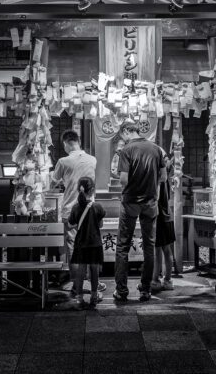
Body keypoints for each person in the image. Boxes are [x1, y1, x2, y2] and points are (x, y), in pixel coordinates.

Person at [114, 121, 166, 302]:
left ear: (127, 131)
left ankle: (121, 291)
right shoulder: (157, 149)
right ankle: (145, 289)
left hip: (130, 202)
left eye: (123, 136)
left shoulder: (126, 151)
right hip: (150, 203)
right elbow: (164, 176)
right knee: (149, 246)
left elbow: (123, 180)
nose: (124, 139)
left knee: (122, 246)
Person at [51, 130, 104, 294]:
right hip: (90, 210)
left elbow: (53, 182)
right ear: (78, 141)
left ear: (66, 143)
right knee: (90, 249)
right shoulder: (92, 159)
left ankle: (77, 285)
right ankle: (92, 284)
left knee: (74, 250)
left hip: (70, 210)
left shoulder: (63, 161)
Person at [68, 177, 106, 309]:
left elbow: (70, 224)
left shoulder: (75, 208)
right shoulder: (98, 207)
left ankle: (79, 298)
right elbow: (100, 225)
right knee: (94, 269)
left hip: (81, 243)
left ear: (79, 190)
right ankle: (94, 296)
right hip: (94, 243)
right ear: (93, 190)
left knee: (81, 270)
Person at [151, 149, 175, 292]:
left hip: (159, 214)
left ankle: (155, 280)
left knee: (158, 250)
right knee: (166, 249)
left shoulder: (159, 176)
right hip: (167, 214)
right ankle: (168, 280)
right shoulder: (166, 173)